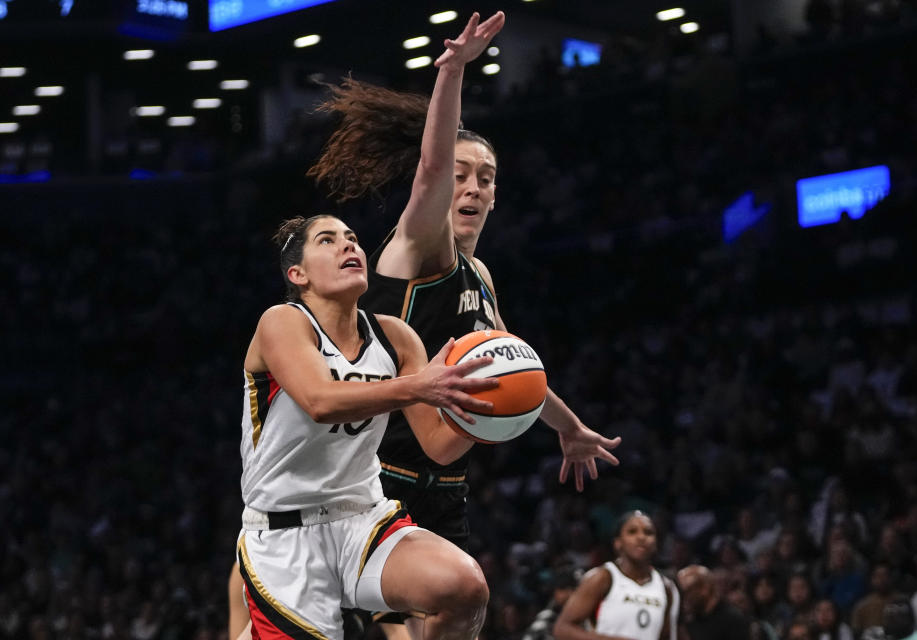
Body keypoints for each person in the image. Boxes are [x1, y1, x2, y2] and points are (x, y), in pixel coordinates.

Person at [306, 8, 621, 638]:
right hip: (375, 479)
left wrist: (570, 426)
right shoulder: (418, 247)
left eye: (486, 179)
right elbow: (428, 168)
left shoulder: (481, 279)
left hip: (445, 484)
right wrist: (452, 74)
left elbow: (516, 370)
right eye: (462, 176)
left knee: (459, 618)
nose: (472, 188)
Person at [235, 212, 504, 640]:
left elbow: (438, 446)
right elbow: (319, 401)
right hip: (286, 532)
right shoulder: (283, 321)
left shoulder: (395, 336)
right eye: (328, 240)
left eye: (352, 238)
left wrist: (488, 411)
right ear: (297, 274)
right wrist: (418, 386)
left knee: (464, 587)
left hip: (365, 518)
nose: (348, 246)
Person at [552, 510, 679, 640]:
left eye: (648, 532)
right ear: (618, 543)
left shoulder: (667, 587)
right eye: (632, 532)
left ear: (656, 543)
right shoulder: (602, 578)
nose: (641, 537)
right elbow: (562, 628)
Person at [676, 565, 751, 640]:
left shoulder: (733, 620)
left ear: (705, 589)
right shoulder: (688, 621)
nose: (684, 598)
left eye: (688, 591)